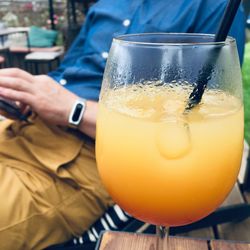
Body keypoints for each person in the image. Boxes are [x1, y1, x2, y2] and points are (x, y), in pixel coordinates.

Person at [0, 0, 246, 249]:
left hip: (87, 155)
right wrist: (26, 95)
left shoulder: (213, 5)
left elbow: (213, 100)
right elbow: (70, 69)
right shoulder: (108, 5)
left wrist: (74, 110)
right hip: (22, 125)